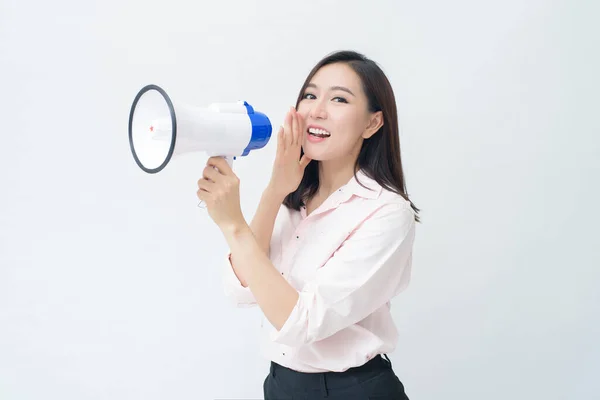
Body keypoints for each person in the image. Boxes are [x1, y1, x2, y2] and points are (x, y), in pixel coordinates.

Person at [196, 50, 420, 400]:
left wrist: (234, 225)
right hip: (281, 385)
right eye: (310, 95)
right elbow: (240, 288)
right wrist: (274, 191)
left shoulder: (387, 213)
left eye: (339, 99)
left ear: (372, 123)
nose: (316, 110)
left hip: (354, 390)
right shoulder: (293, 196)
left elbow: (299, 322)